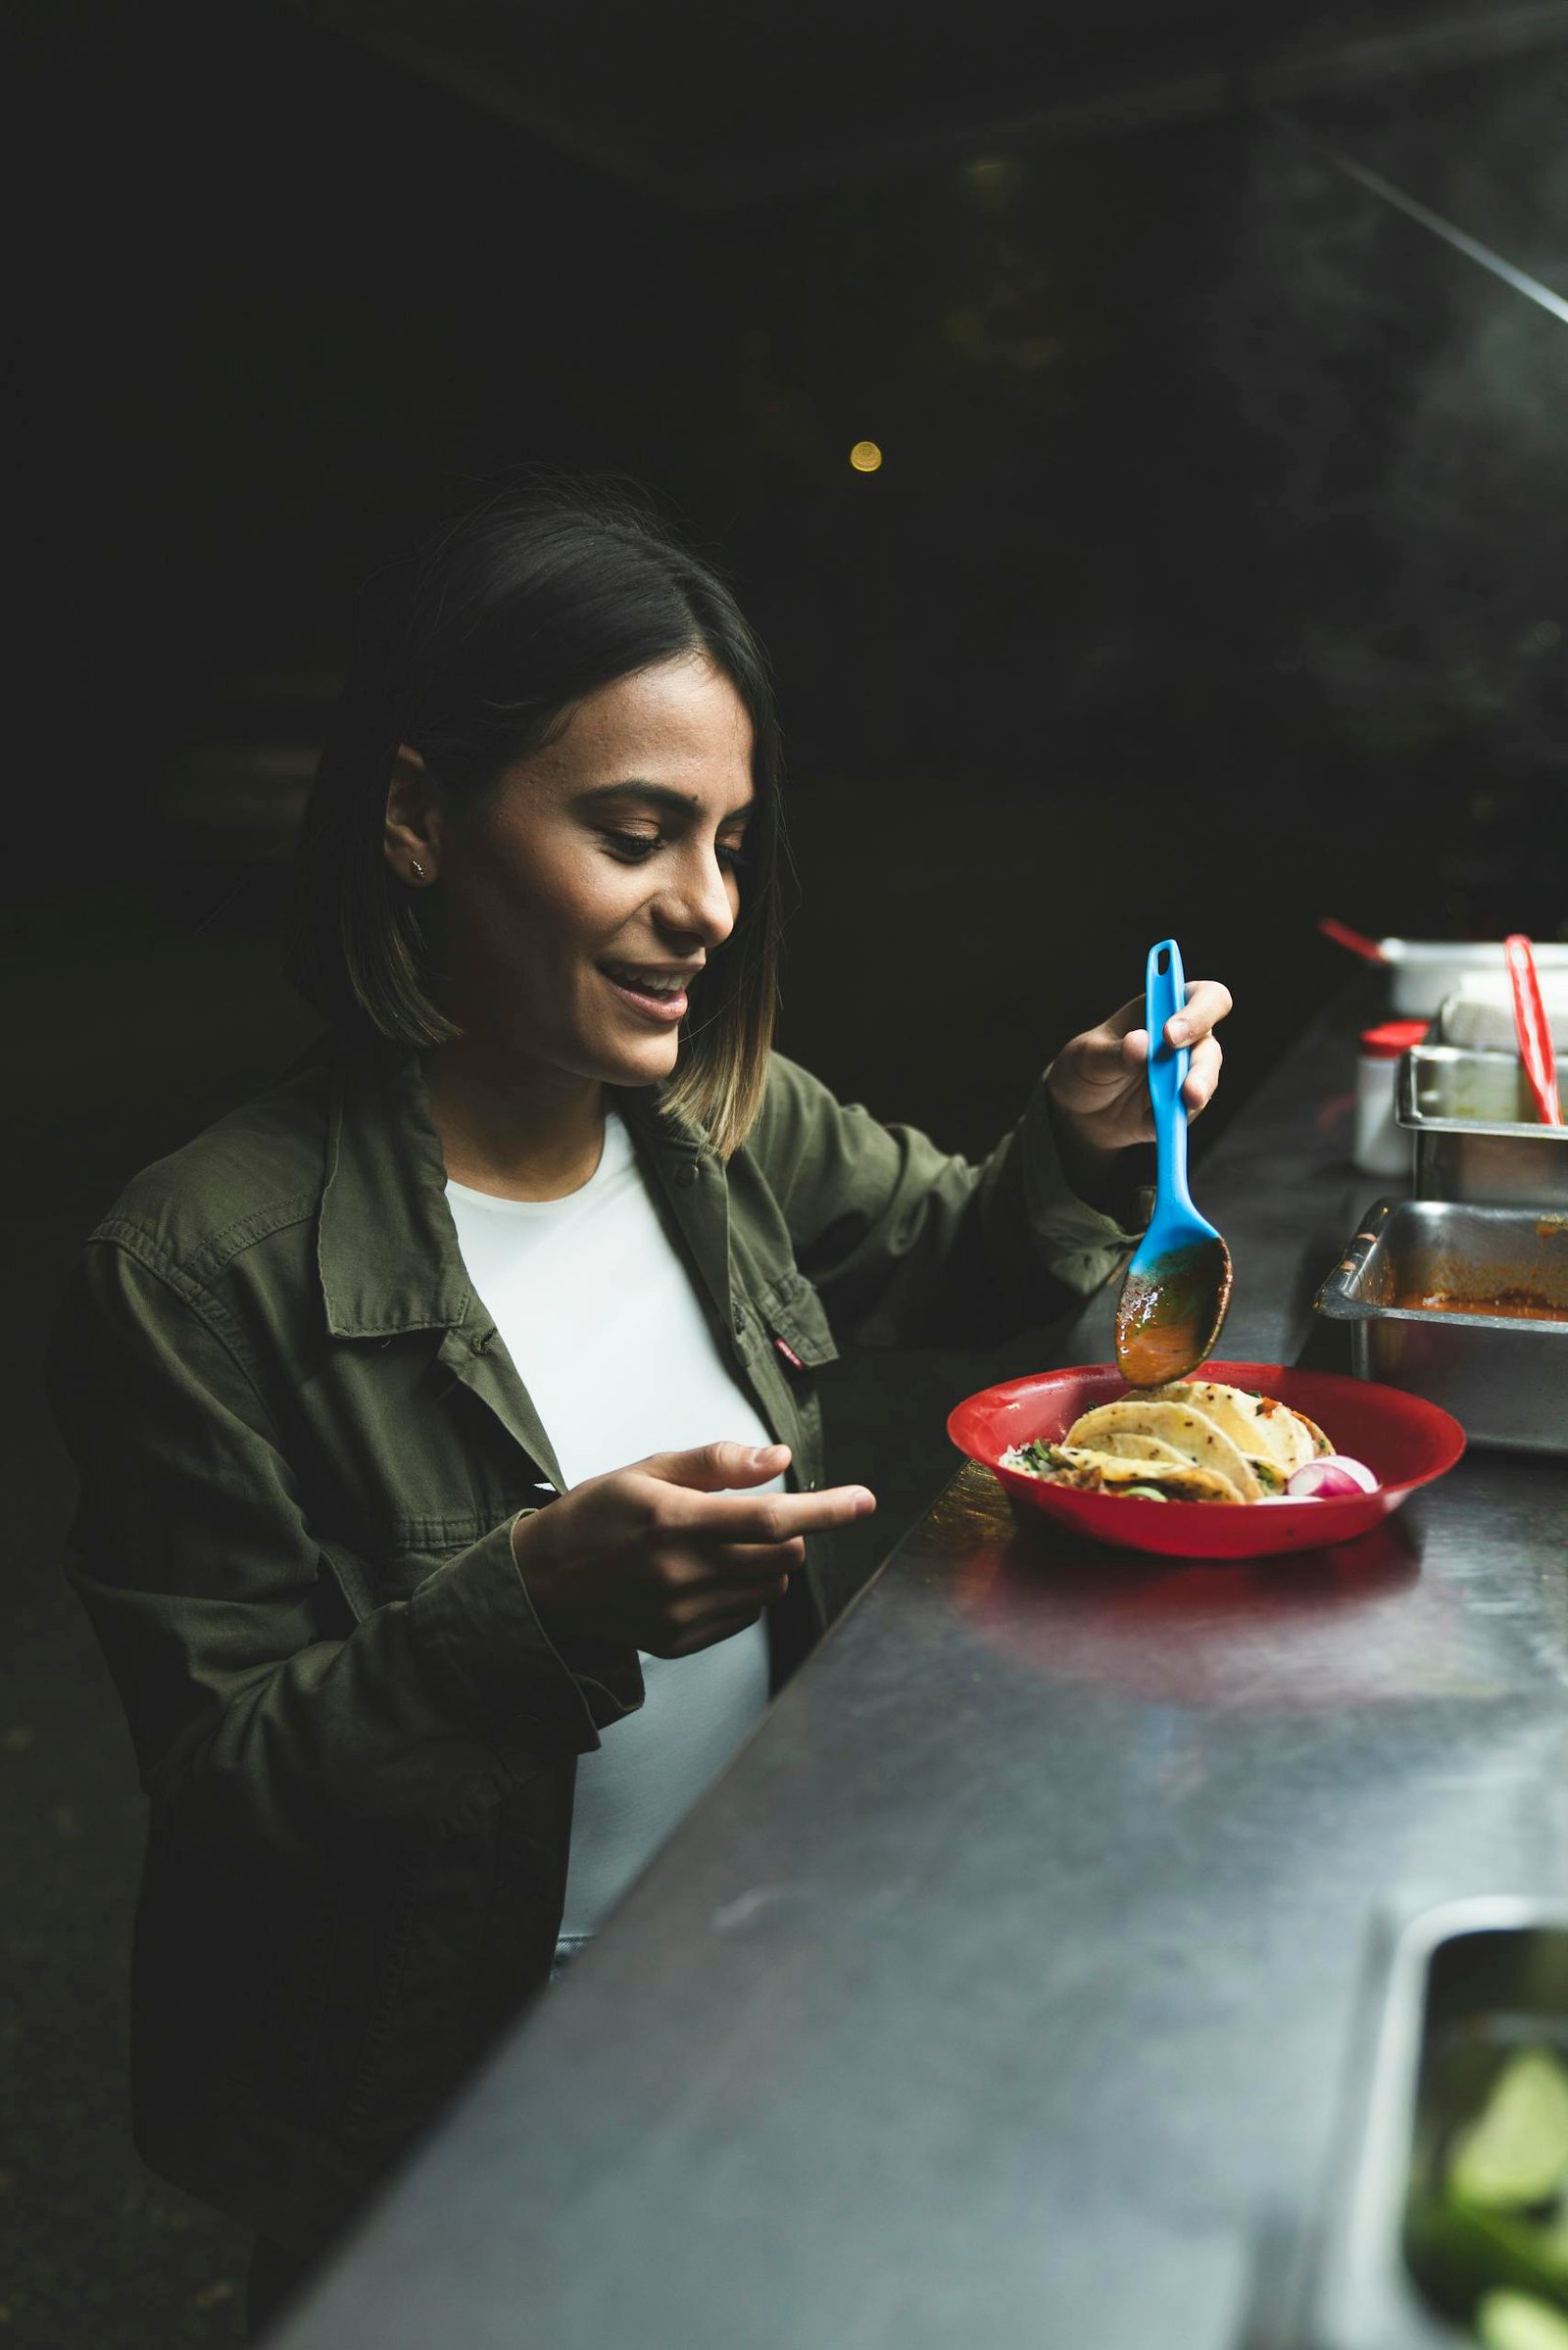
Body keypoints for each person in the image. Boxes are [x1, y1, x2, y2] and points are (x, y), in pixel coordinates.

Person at [45, 480, 1231, 2337]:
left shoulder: (722, 1127)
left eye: (732, 841)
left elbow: (953, 1259)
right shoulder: (199, 1263)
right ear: (422, 819)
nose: (706, 908)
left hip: (753, 1988)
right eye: (634, 833)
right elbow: (225, 1793)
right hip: (434, 2112)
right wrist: (523, 1610)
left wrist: (1078, 1142)